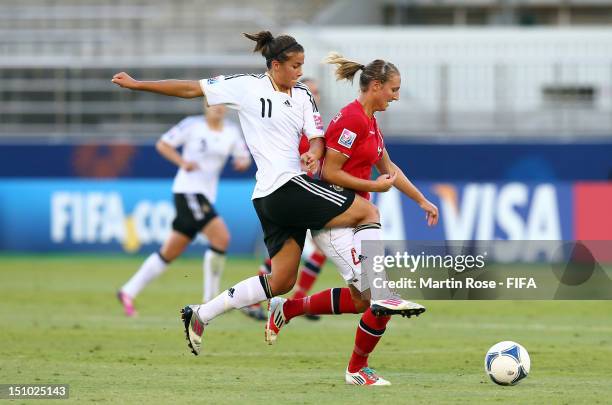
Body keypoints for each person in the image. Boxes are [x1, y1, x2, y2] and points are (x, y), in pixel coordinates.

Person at [111, 31, 415, 359]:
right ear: (275, 65)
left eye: (302, 65)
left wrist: (313, 152)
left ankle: (201, 313)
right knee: (368, 212)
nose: (300, 72)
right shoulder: (246, 86)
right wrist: (139, 84)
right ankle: (380, 289)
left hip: (272, 197)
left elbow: (316, 138)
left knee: (282, 279)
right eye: (295, 65)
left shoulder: (301, 95)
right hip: (284, 187)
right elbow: (190, 88)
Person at [265, 52, 439, 385]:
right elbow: (330, 172)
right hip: (334, 218)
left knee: (363, 301)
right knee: (379, 298)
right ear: (375, 86)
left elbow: (389, 168)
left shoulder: (370, 122)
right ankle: (357, 370)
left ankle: (286, 310)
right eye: (393, 89)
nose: (396, 96)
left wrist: (421, 200)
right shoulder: (351, 120)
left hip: (355, 218)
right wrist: (373, 186)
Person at [117, 103, 251, 316]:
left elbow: (243, 156)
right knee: (221, 238)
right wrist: (182, 162)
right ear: (205, 105)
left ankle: (128, 291)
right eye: (212, 104)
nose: (217, 108)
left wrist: (243, 162)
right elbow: (163, 144)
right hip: (188, 191)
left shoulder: (231, 132)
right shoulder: (192, 125)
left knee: (169, 252)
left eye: (221, 104)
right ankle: (211, 300)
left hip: (204, 195)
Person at [244, 77, 327, 322]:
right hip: (286, 192)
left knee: (307, 249)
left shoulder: (316, 130)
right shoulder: (289, 123)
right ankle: (284, 300)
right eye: (310, 91)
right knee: (291, 251)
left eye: (317, 92)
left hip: (306, 191)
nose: (315, 96)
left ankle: (296, 300)